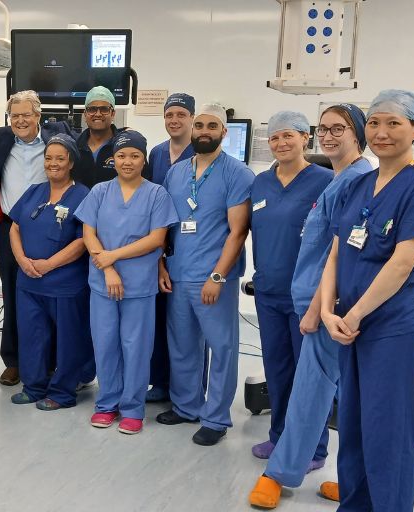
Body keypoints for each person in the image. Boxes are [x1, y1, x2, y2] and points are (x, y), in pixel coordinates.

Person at [318, 90, 414, 511]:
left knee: (388, 432)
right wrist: (327, 310)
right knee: (353, 427)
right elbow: (336, 253)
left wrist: (353, 315)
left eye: (394, 123)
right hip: (349, 327)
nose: (381, 132)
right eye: (374, 123)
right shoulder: (357, 185)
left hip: (392, 328)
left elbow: (402, 263)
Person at [249, 104, 373, 509]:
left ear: (357, 133)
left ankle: (291, 472)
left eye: (340, 129)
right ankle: (336, 478)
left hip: (328, 308)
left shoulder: (356, 181)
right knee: (319, 392)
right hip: (310, 301)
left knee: (323, 395)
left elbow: (338, 255)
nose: (329, 136)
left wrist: (317, 308)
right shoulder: (340, 180)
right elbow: (329, 248)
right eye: (326, 129)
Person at [155, 103, 254, 446]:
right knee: (182, 345)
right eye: (199, 126)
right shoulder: (177, 173)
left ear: (224, 132)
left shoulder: (237, 173)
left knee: (222, 347)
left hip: (214, 276)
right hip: (179, 271)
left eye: (212, 126)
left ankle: (216, 418)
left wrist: (218, 276)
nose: (204, 132)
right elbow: (165, 223)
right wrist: (161, 263)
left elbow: (238, 232)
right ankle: (187, 406)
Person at [74, 130, 178, 435]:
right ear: (113, 159)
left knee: (136, 347)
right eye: (121, 155)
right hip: (102, 283)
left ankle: (133, 408)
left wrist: (113, 256)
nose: (127, 161)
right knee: (105, 344)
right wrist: (107, 268)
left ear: (144, 159)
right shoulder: (100, 192)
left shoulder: (156, 194)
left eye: (134, 155)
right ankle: (107, 404)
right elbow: (89, 234)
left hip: (139, 285)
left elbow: (156, 240)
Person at [248, 111, 333, 460]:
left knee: (309, 375)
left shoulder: (326, 181)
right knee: (278, 369)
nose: (281, 143)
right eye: (274, 137)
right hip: (268, 292)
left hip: (307, 296)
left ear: (305, 138)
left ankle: (314, 448)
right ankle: (279, 436)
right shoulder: (260, 183)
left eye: (289, 135)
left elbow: (334, 242)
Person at [0, 90, 74, 387]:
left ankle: (49, 362)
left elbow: (87, 140)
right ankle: (14, 362)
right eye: (15, 115)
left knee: (48, 294)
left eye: (27, 114)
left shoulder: (56, 138)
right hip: (9, 228)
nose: (21, 120)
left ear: (38, 116)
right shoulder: (2, 139)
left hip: (47, 228)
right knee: (12, 295)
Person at [8, 133, 92, 410]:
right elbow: (15, 228)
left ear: (71, 163)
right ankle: (33, 387)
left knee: (68, 339)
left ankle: (62, 392)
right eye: (48, 158)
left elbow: (83, 240)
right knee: (32, 335)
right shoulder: (34, 191)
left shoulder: (83, 195)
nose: (53, 163)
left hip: (64, 284)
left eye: (60, 158)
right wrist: (22, 260)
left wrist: (50, 264)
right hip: (29, 281)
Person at [145, 92, 197, 403]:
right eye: (169, 115)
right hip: (161, 244)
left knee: (188, 329)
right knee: (159, 319)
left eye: (181, 114)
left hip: (191, 248)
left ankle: (187, 390)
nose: (174, 120)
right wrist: (157, 256)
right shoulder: (157, 153)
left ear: (192, 118)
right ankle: (161, 382)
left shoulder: (201, 152)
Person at [72, 86, 132, 188]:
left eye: (104, 109)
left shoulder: (125, 145)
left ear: (113, 114)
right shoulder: (75, 147)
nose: (98, 114)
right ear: (85, 114)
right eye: (92, 109)